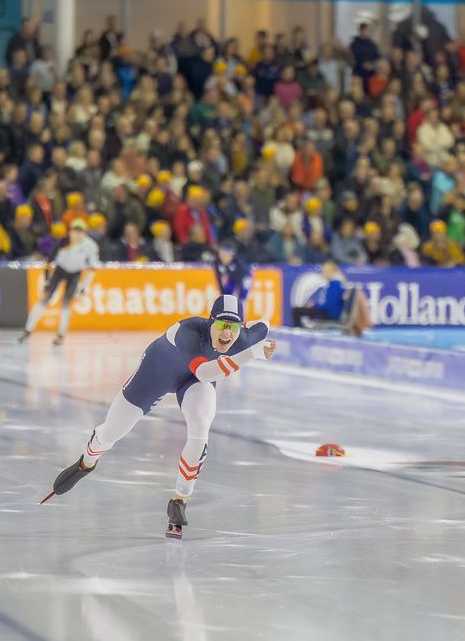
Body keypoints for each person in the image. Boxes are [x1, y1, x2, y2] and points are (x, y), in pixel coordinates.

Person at [42, 295, 277, 539]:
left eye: (234, 327)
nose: (227, 333)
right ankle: (87, 462)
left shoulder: (244, 337)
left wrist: (253, 340)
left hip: (193, 382)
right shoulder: (188, 332)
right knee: (111, 432)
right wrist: (252, 354)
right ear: (210, 322)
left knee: (200, 428)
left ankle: (179, 499)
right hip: (157, 372)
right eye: (221, 325)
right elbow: (205, 372)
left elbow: (264, 325)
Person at [18, 218, 100, 346]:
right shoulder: (63, 242)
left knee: (66, 304)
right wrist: (46, 279)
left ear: (85, 232)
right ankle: (28, 329)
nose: (77, 234)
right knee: (45, 299)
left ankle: (61, 334)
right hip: (60, 270)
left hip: (75, 273)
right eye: (75, 231)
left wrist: (85, 286)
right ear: (70, 231)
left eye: (80, 231)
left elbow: (93, 267)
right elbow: (49, 261)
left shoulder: (90, 245)